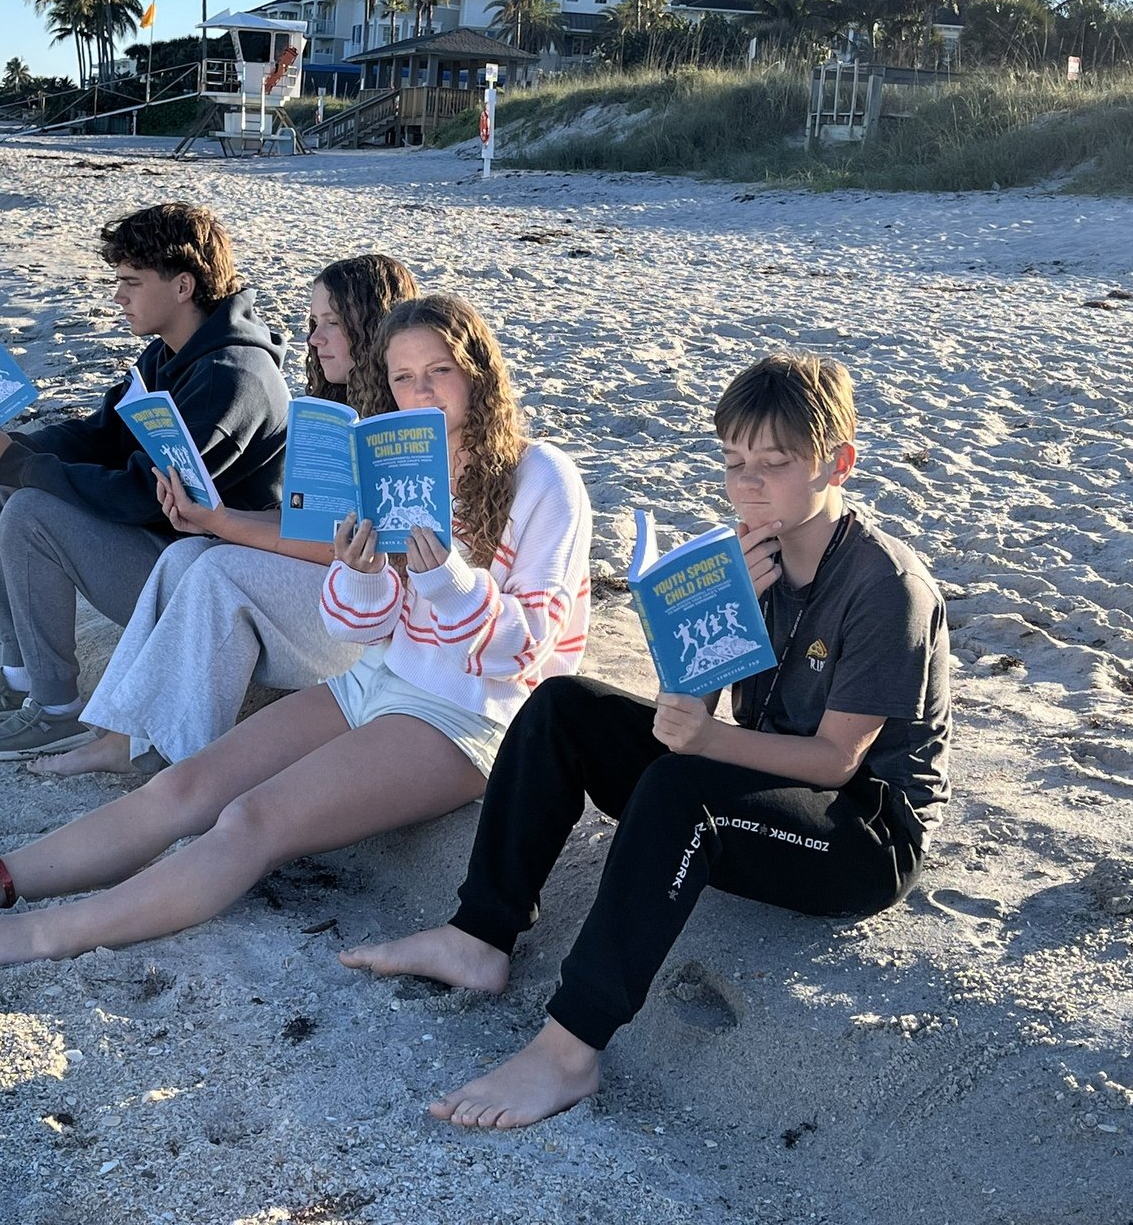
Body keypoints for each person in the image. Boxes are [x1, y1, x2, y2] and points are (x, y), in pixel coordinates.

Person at [0, 295, 594, 968]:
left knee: (251, 818)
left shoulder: (542, 478)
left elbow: (526, 653)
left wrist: (446, 577)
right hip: (380, 680)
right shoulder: (402, 465)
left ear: (481, 375)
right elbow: (360, 626)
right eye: (404, 378)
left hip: (472, 718)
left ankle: (40, 933)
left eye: (441, 371)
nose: (422, 392)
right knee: (185, 786)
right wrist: (365, 569)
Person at [343, 351, 953, 1130]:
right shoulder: (752, 557)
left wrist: (700, 740)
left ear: (839, 463)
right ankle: (479, 934)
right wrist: (708, 626)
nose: (749, 485)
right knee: (566, 705)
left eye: (775, 464)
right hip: (770, 783)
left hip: (863, 834)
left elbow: (836, 761)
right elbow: (691, 709)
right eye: (734, 463)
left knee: (680, 785)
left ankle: (568, 1051)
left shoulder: (885, 587)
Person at [0, 202, 291, 762]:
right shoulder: (168, 355)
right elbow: (101, 434)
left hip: (204, 587)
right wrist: (19, 449)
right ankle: (20, 674)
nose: (117, 296)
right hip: (169, 551)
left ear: (183, 286)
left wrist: (22, 467)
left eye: (130, 282)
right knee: (2, 490)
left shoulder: (232, 379)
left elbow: (142, 496)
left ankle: (56, 713)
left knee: (28, 510)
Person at [30, 253, 418, 778]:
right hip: (331, 595)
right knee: (187, 554)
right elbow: (305, 522)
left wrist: (226, 525)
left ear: (371, 326)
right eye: (313, 323)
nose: (314, 339)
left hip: (376, 617)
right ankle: (123, 737)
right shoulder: (341, 407)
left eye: (332, 323)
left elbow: (352, 548)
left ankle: (186, 768)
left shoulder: (401, 422)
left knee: (218, 569)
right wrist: (215, 517)